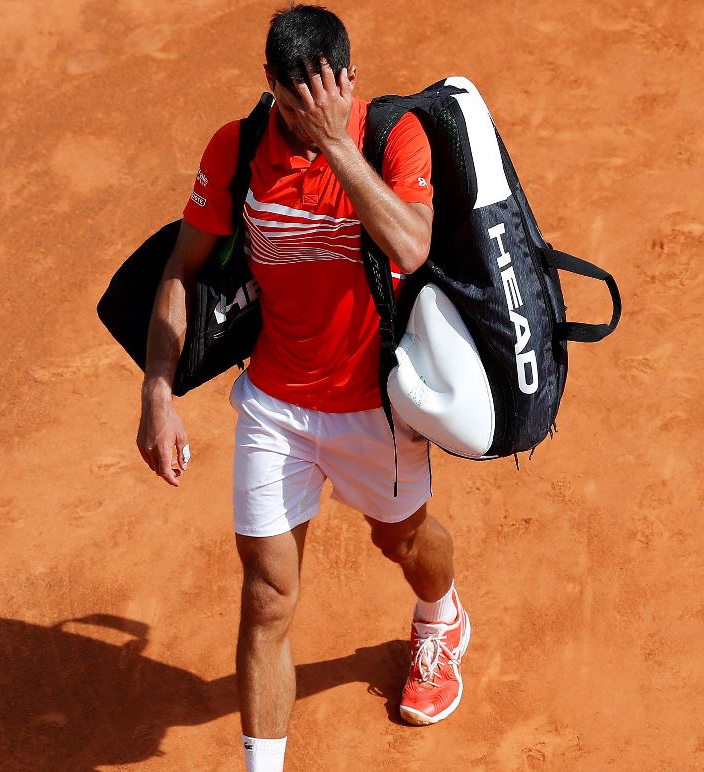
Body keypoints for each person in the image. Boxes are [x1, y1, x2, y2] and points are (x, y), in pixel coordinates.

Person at [135, 6, 470, 770]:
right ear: (268, 86)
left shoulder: (392, 136)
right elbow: (181, 271)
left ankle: (440, 615)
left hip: (372, 410)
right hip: (275, 404)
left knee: (404, 542)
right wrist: (158, 391)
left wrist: (333, 146)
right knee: (265, 597)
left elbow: (410, 245)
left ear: (347, 78)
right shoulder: (237, 146)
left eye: (314, 101)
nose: (297, 119)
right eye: (287, 104)